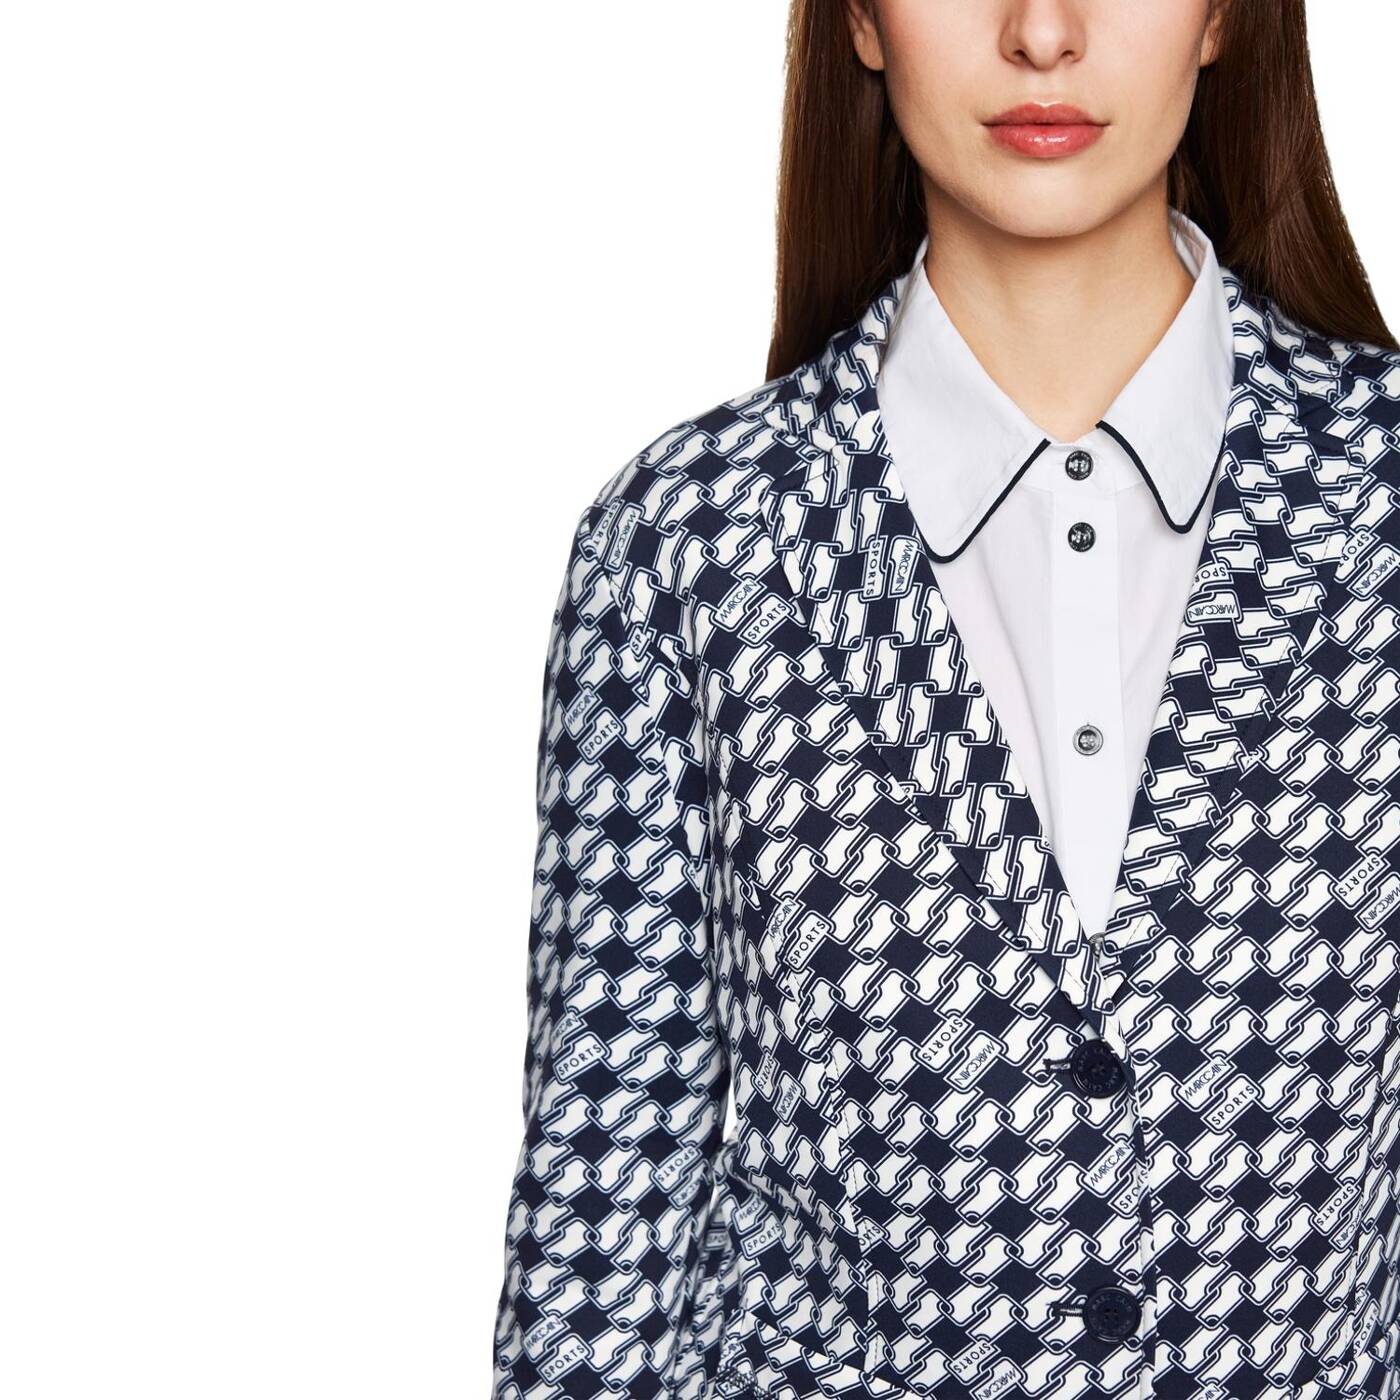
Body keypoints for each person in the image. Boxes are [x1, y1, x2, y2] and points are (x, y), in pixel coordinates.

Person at [493, 2, 1400, 1396]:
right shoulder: (690, 549)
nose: (1043, 33)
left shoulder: (1377, 501)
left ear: (1225, 15)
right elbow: (603, 1239)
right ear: (861, 17)